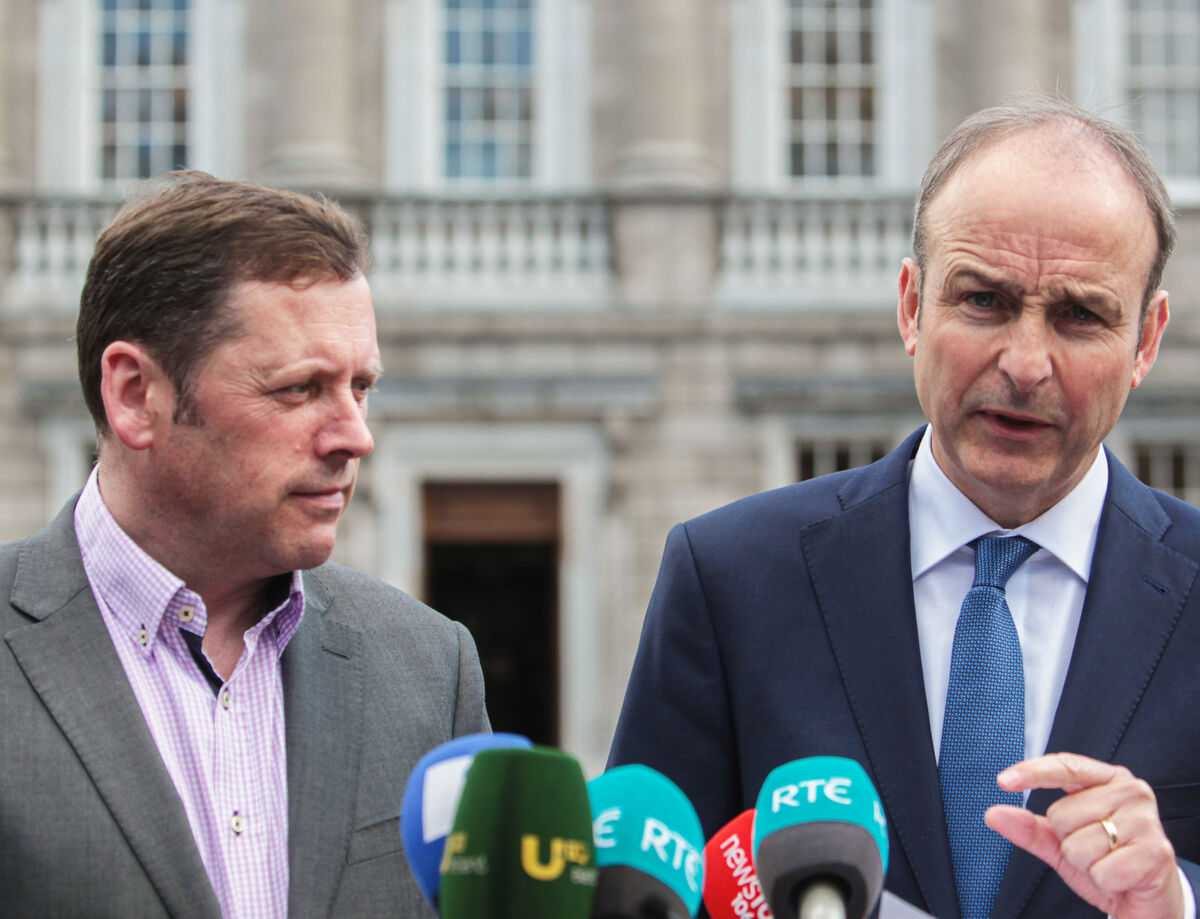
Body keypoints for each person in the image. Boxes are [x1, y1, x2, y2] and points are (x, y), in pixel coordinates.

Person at [609, 95, 1200, 919]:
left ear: (1146, 340)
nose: (1025, 362)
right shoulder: (730, 578)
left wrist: (1172, 900)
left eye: (1079, 315)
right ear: (909, 304)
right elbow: (640, 891)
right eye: (984, 300)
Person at [0, 172, 489, 917]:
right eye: (300, 389)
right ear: (135, 393)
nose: (355, 434)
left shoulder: (429, 667)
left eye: (361, 386)